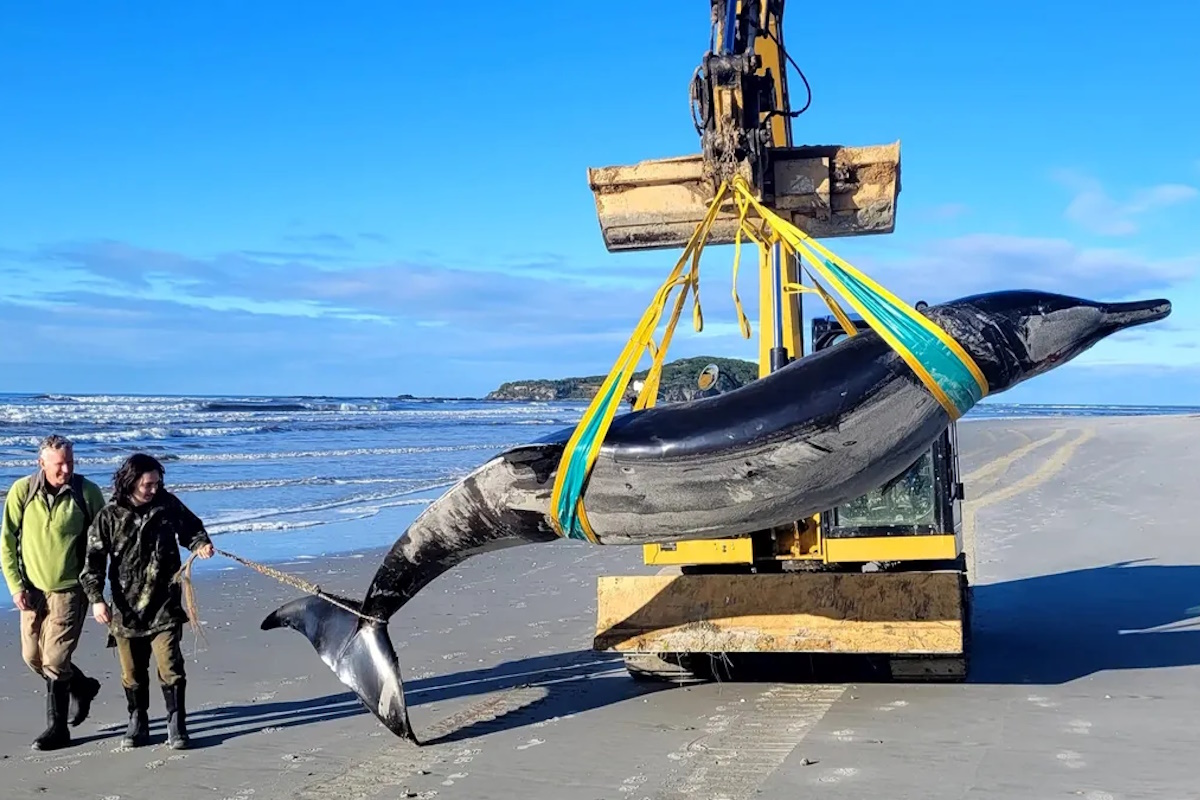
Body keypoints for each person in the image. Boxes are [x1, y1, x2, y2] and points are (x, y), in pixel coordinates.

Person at [79, 453, 214, 750]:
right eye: (148, 484)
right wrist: (96, 600)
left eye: (157, 482)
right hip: (125, 609)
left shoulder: (167, 505)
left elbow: (191, 528)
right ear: (131, 482)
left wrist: (201, 543)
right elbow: (94, 562)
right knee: (132, 672)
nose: (154, 489)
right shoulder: (109, 515)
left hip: (164, 602)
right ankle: (137, 719)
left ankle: (176, 723)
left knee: (170, 665)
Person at [0, 434, 105, 751]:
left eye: (70, 462)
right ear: (41, 463)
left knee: (56, 660)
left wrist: (97, 588)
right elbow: (7, 541)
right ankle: (83, 686)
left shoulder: (87, 493)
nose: (65, 469)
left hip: (70, 590)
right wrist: (16, 586)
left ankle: (57, 729)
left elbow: (103, 541)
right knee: (32, 657)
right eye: (59, 464)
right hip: (31, 591)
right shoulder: (22, 491)